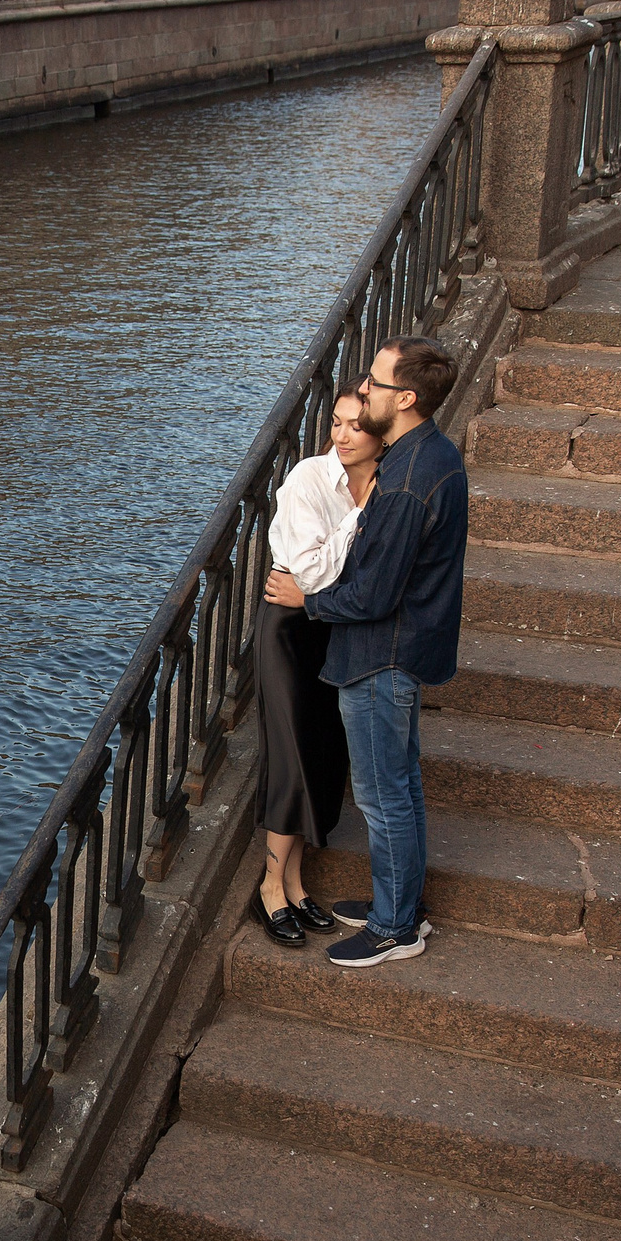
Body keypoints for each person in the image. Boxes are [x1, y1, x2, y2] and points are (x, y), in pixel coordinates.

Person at [263, 335, 466, 969]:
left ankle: (394, 928)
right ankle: (400, 906)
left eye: (376, 385)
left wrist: (306, 601)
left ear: (405, 398)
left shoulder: (404, 481)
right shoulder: (434, 456)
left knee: (383, 796)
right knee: (399, 787)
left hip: (383, 655)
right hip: (403, 646)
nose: (366, 391)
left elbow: (374, 592)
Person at [252, 395, 381, 947]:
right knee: (292, 752)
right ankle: (270, 887)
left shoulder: (388, 481)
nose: (343, 436)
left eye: (358, 426)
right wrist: (358, 517)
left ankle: (298, 884)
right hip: (288, 627)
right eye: (336, 422)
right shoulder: (308, 478)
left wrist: (323, 590)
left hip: (336, 626)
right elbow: (308, 571)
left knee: (324, 753)